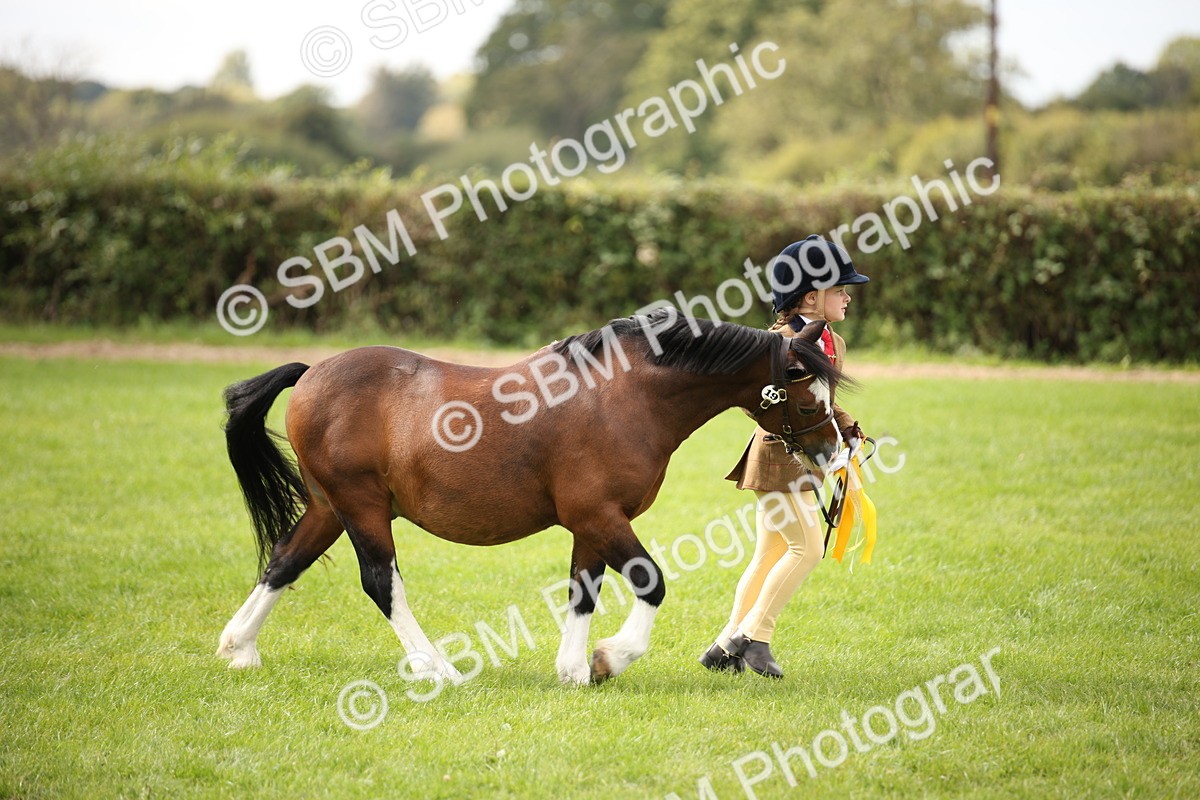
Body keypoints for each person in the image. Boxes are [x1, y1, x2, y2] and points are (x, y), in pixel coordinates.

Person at [700, 235, 869, 679]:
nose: (848, 296)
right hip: (778, 458)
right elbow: (755, 400)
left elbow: (822, 399)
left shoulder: (835, 342)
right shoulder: (779, 343)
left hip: (807, 458)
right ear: (811, 296)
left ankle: (723, 646)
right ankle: (755, 636)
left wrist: (848, 427)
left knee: (771, 551)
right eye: (840, 289)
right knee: (808, 547)